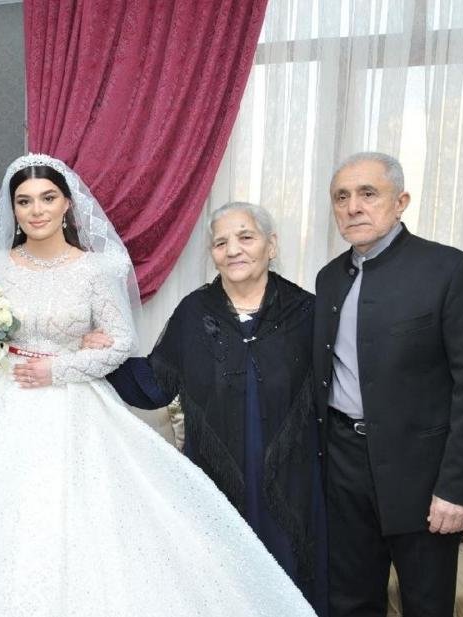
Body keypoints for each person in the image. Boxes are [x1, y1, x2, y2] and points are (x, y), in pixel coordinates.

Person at [0, 154, 317, 617]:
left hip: (75, 408)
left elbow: (119, 343)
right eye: (24, 201)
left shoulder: (97, 268)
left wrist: (59, 369)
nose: (36, 210)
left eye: (47, 198)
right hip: (0, 402)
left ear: (67, 204)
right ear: (13, 210)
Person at [84, 202, 328, 614]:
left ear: (271, 246)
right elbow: (155, 385)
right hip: (216, 478)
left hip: (293, 481)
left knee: (288, 582)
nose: (233, 250)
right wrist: (107, 355)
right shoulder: (194, 312)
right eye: (220, 243)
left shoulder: (308, 313)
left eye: (246, 237)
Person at [314, 152, 463, 616]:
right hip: (343, 468)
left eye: (368, 193)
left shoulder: (453, 271)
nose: (353, 207)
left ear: (400, 202)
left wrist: (458, 489)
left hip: (423, 477)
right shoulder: (329, 278)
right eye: (341, 197)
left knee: (426, 606)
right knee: (349, 602)